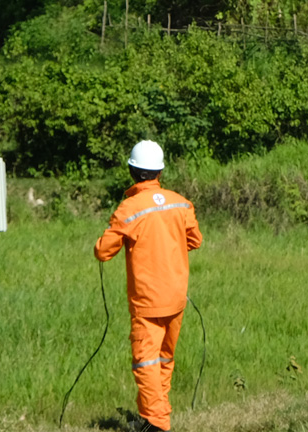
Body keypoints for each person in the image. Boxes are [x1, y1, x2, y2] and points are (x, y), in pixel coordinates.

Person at [95, 140, 203, 431]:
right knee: (164, 358)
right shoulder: (181, 202)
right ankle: (154, 415)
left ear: (132, 170)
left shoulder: (129, 208)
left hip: (147, 302)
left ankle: (156, 423)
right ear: (159, 172)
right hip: (177, 296)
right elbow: (195, 240)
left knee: (145, 362)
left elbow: (104, 251)